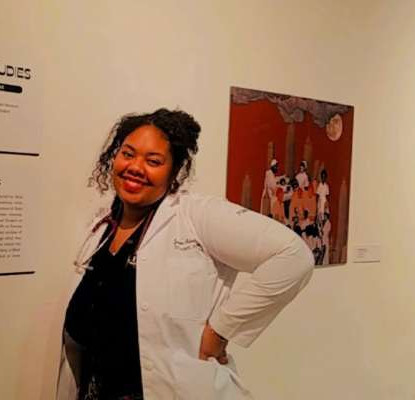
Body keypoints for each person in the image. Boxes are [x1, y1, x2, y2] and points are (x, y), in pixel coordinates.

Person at [58, 109, 315, 400]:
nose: (135, 167)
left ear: (174, 170)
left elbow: (293, 256)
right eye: (128, 154)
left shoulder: (197, 215)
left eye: (153, 161)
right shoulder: (102, 228)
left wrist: (221, 330)